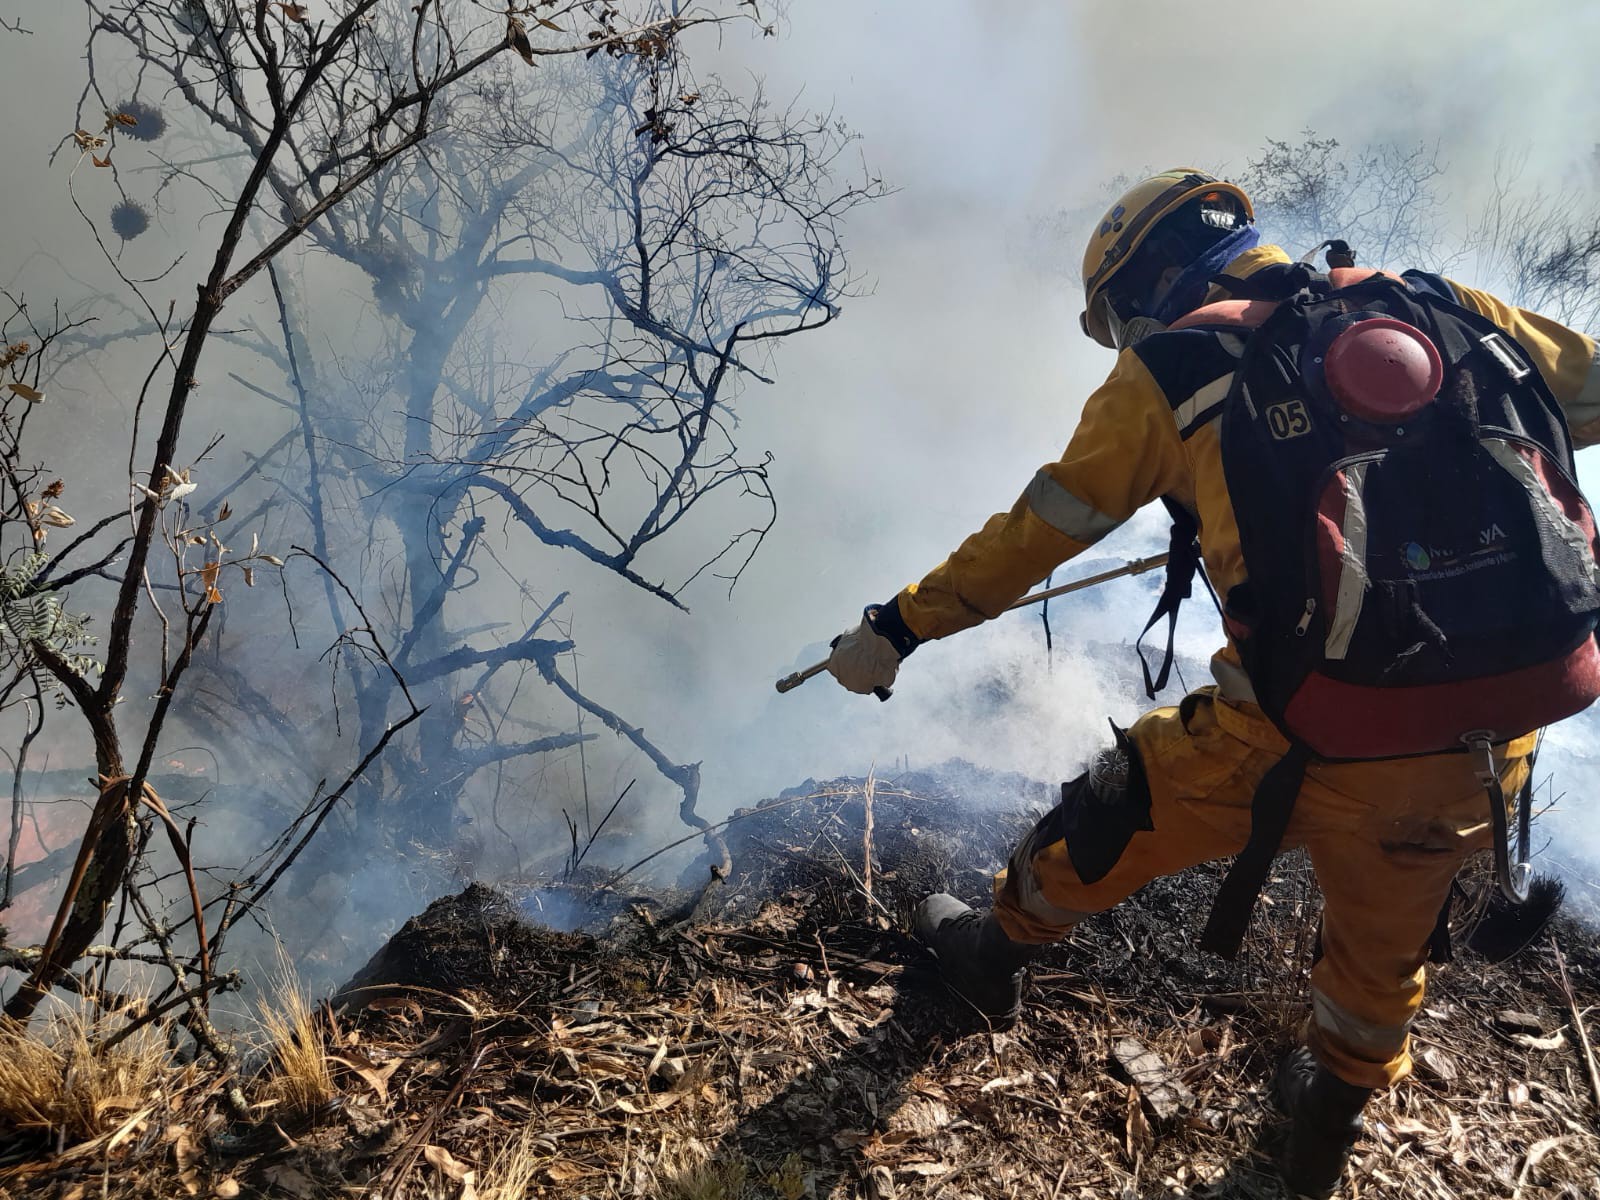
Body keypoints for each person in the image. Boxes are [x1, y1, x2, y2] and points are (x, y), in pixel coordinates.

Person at [823, 168, 1600, 1198]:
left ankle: (989, 954)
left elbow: (1035, 534)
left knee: (1103, 819)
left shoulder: (1174, 365)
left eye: (1117, 315)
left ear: (1144, 282)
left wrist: (896, 627)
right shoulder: (1446, 306)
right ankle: (1315, 1143)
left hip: (1301, 731)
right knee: (1379, 970)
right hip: (1491, 730)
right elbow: (1574, 405)